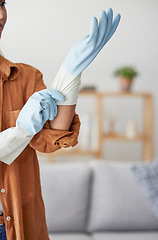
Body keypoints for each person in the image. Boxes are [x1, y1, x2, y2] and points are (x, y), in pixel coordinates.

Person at [0, 1, 120, 239]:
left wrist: (70, 74)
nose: (1, 14)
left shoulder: (25, 77)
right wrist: (21, 130)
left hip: (15, 225)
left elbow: (53, 137)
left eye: (2, 2)